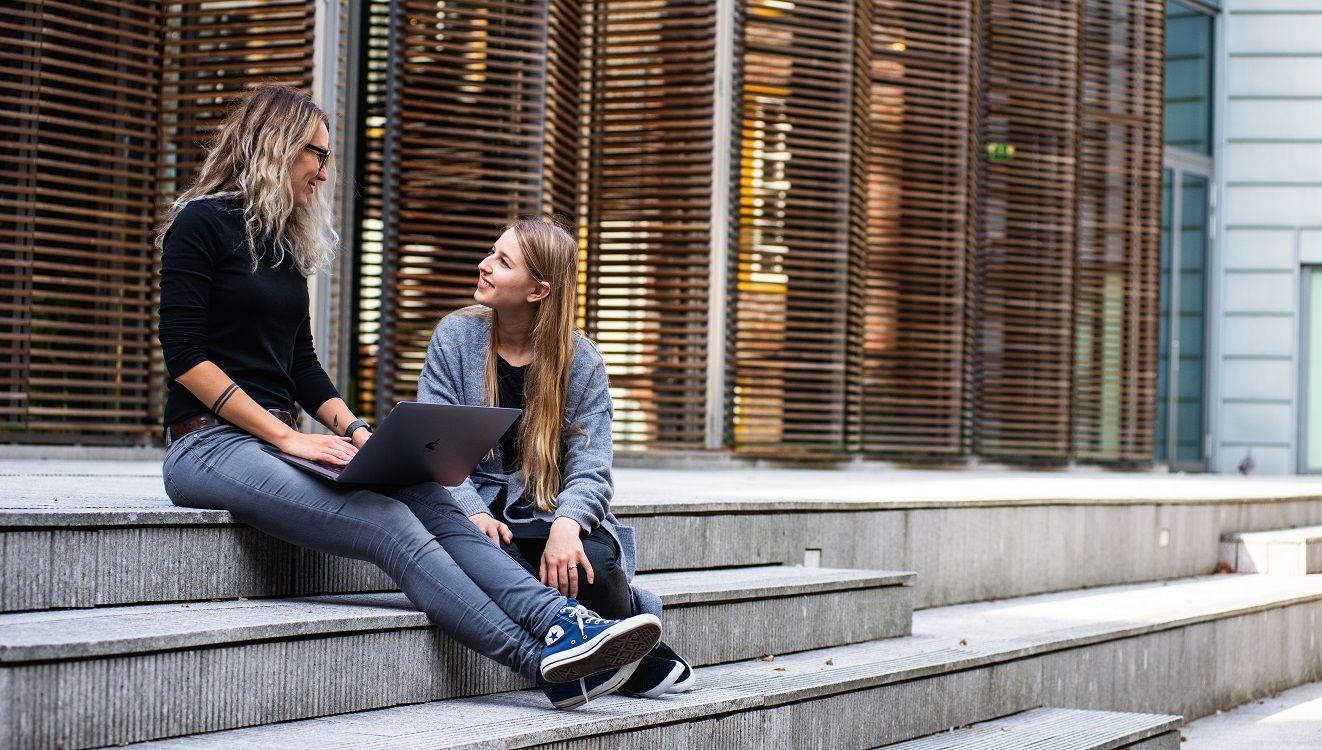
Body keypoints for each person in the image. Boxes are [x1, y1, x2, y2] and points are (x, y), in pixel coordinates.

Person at [155, 84, 660, 710]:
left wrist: (364, 436)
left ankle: (562, 622)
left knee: (425, 490)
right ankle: (542, 663)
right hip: (208, 446)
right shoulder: (199, 224)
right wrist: (286, 435)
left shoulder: (284, 247)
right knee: (390, 523)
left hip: (281, 445)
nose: (324, 168)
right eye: (317, 152)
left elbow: (304, 368)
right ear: (276, 145)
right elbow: (184, 358)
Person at [416, 217, 694, 699]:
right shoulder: (455, 336)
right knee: (491, 560)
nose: (484, 265)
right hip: (475, 508)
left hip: (546, 510)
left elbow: (592, 465)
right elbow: (434, 444)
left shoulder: (580, 358)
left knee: (594, 565)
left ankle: (611, 650)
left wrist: (568, 525)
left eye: (502, 261)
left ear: (538, 290)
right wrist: (473, 510)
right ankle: (638, 660)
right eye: (491, 252)